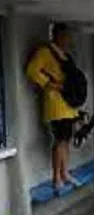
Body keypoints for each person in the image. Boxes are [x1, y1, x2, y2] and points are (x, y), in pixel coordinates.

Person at [26, 23, 81, 193]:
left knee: (66, 139)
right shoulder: (45, 52)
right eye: (65, 36)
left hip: (68, 103)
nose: (68, 40)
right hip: (55, 103)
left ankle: (65, 172)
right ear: (56, 36)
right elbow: (31, 71)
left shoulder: (65, 55)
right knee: (60, 139)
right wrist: (49, 84)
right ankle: (56, 176)